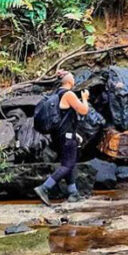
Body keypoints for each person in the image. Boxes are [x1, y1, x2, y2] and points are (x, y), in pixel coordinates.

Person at [34, 70, 89, 205]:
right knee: (68, 164)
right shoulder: (68, 94)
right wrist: (85, 99)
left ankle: (73, 193)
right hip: (66, 136)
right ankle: (44, 188)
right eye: (73, 77)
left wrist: (74, 133)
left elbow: (62, 119)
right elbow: (83, 110)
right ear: (70, 81)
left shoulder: (56, 95)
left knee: (67, 164)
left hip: (59, 135)